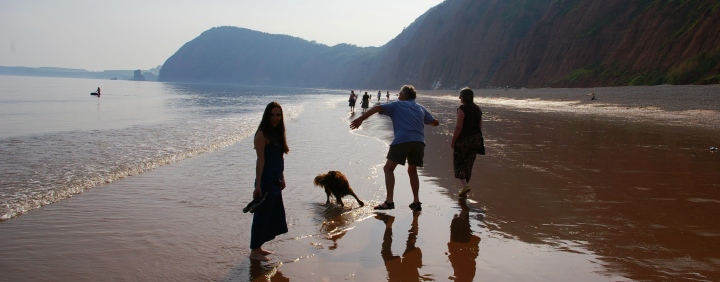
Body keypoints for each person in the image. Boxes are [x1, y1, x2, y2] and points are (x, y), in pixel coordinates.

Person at [350, 85, 439, 211]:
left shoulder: (397, 105)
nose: (398, 96)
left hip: (403, 140)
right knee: (412, 170)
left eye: (399, 94)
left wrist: (360, 119)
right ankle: (416, 202)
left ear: (404, 96)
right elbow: (435, 122)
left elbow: (377, 108)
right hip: (419, 141)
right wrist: (426, 121)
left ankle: (389, 201)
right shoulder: (420, 108)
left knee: (388, 168)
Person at [250, 101, 289, 261]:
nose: (275, 118)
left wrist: (282, 177)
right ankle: (254, 252)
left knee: (270, 214)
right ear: (267, 115)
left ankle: (258, 247)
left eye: (278, 115)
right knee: (261, 216)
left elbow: (279, 158)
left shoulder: (277, 133)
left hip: (275, 180)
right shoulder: (262, 135)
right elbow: (260, 161)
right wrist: (258, 186)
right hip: (265, 181)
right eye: (272, 115)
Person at [450, 88, 483, 197]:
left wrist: (453, 141)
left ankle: (465, 186)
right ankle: (465, 189)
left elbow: (459, 126)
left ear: (464, 97)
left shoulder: (462, 109)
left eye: (460, 95)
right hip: (476, 139)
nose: (459, 97)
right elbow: (480, 126)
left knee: (459, 163)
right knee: (468, 164)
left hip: (464, 139)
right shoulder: (477, 109)